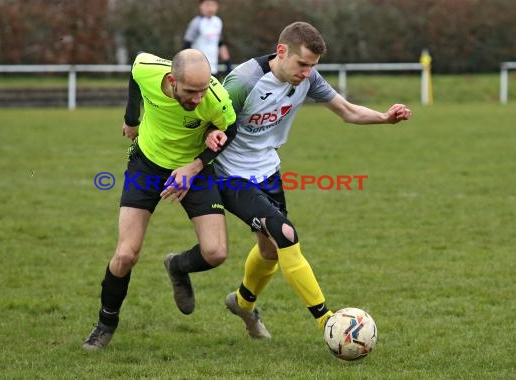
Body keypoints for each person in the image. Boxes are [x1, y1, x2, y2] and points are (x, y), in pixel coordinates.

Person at [212, 21, 411, 339]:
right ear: (281, 51)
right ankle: (328, 322)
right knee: (285, 234)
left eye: (313, 66)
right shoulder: (243, 81)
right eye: (302, 64)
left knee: (269, 251)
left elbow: (346, 110)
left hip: (268, 170)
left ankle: (242, 304)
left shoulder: (307, 78)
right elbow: (206, 127)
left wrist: (385, 118)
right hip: (231, 175)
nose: (307, 72)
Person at [83, 49, 237, 350]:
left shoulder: (215, 98)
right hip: (146, 164)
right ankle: (106, 322)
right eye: (191, 92)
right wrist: (131, 118)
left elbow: (230, 127)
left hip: (194, 169)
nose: (197, 99)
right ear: (171, 80)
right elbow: (134, 71)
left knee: (216, 252)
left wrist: (194, 167)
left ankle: (177, 266)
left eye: (203, 90)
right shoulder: (149, 70)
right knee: (126, 254)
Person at [183, 0, 232, 78]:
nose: (210, 8)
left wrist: (228, 64)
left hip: (213, 68)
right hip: (197, 69)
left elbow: (220, 44)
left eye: (213, 5)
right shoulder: (197, 22)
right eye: (207, 5)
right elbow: (186, 45)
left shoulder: (218, 22)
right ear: (201, 6)